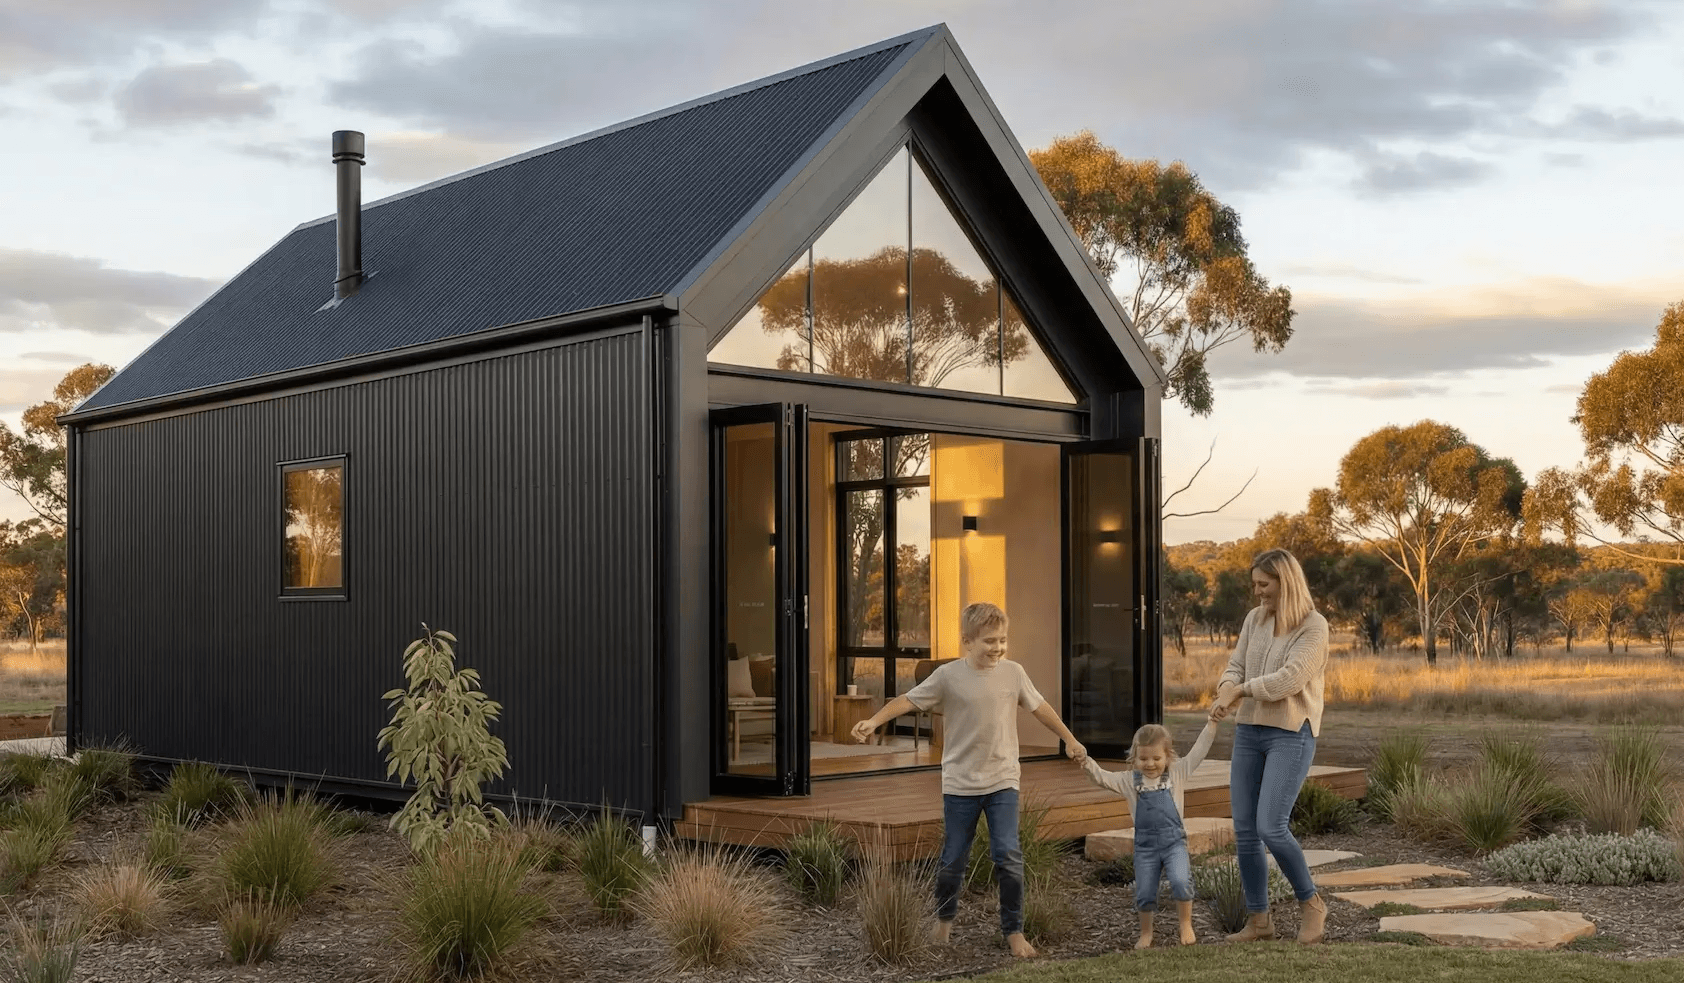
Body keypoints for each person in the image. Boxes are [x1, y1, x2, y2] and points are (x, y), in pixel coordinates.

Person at [851, 601, 1086, 958]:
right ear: (967, 641)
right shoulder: (948, 677)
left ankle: (1014, 931)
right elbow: (908, 701)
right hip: (960, 785)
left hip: (1003, 780)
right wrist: (874, 721)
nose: (998, 648)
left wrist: (1069, 739)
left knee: (1007, 854)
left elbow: (1040, 708)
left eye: (1003, 640)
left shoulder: (1013, 673)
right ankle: (943, 923)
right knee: (952, 859)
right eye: (990, 641)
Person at [1208, 547, 1331, 944]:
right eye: (1255, 585)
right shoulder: (1254, 619)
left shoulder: (1314, 627)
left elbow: (1288, 681)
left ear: (1285, 582)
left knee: (1271, 827)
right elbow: (1236, 664)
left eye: (1264, 584)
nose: (1258, 592)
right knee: (1245, 831)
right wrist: (1227, 687)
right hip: (1249, 733)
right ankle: (1260, 921)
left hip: (1290, 734)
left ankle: (1312, 904)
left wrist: (1240, 691)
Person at [1080, 717, 1218, 948]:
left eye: (1157, 758)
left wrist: (1212, 724)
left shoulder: (1177, 774)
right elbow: (1102, 777)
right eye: (1143, 759)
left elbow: (1199, 751)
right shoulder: (1129, 781)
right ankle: (1146, 933)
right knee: (1144, 891)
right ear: (1134, 758)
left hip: (1174, 844)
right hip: (1145, 848)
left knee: (1181, 880)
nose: (1150, 764)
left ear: (1168, 757)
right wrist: (1086, 761)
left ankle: (1185, 924)